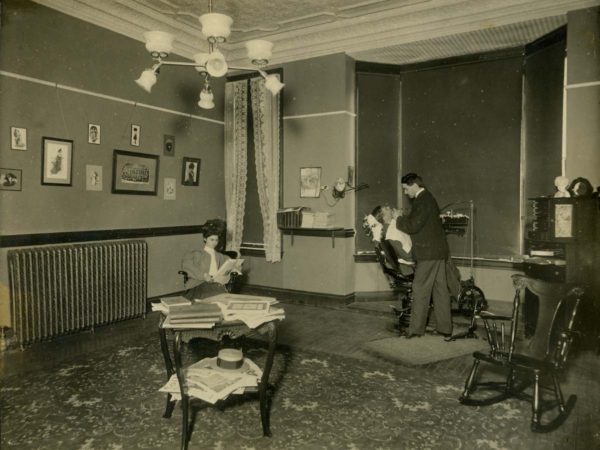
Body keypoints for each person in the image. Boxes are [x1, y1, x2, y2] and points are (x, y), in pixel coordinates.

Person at [393, 173, 452, 338]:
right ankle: (444, 328)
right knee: (440, 290)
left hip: (428, 253)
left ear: (414, 185)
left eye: (405, 189)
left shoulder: (422, 200)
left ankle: (416, 330)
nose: (405, 192)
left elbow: (412, 226)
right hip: (438, 252)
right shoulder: (427, 198)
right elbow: (417, 221)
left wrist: (397, 219)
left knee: (419, 289)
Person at [181, 219, 235, 301]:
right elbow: (187, 266)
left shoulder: (220, 256)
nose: (214, 243)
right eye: (212, 240)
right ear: (205, 239)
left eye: (216, 240)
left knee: (222, 294)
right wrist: (204, 275)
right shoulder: (196, 253)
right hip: (198, 285)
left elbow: (230, 264)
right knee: (218, 295)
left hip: (216, 284)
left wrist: (235, 266)